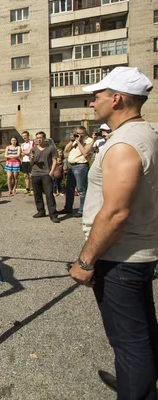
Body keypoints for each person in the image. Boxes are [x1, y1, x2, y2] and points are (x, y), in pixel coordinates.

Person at [69, 66, 158, 398]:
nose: (93, 103)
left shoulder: (123, 144)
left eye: (98, 96)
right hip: (138, 251)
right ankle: (136, 381)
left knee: (129, 342)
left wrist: (87, 260)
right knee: (143, 332)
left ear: (116, 99)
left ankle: (136, 387)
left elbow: (116, 212)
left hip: (120, 257)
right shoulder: (147, 134)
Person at [59, 125, 93, 218]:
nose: (80, 135)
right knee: (69, 189)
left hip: (81, 166)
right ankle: (68, 208)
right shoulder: (74, 141)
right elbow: (66, 150)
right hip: (72, 166)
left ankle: (82, 210)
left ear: (85, 132)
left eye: (82, 134)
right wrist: (72, 140)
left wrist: (79, 141)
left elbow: (85, 153)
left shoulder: (89, 141)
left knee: (82, 190)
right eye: (78, 134)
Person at [30, 131, 60, 223]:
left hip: (46, 174)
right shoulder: (33, 149)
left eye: (41, 137)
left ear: (44, 138)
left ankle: (53, 214)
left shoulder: (51, 148)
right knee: (37, 194)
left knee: (49, 194)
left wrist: (51, 172)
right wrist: (31, 158)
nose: (39, 139)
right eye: (37, 138)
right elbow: (31, 163)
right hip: (35, 173)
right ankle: (41, 211)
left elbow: (55, 160)